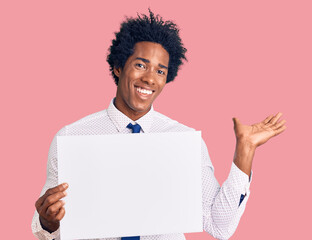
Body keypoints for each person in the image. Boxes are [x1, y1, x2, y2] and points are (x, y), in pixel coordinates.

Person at [32, 10, 286, 240]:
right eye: (141, 65)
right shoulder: (72, 137)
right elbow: (48, 227)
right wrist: (48, 221)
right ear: (119, 67)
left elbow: (220, 226)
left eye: (160, 71)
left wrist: (245, 150)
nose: (149, 79)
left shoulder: (183, 141)